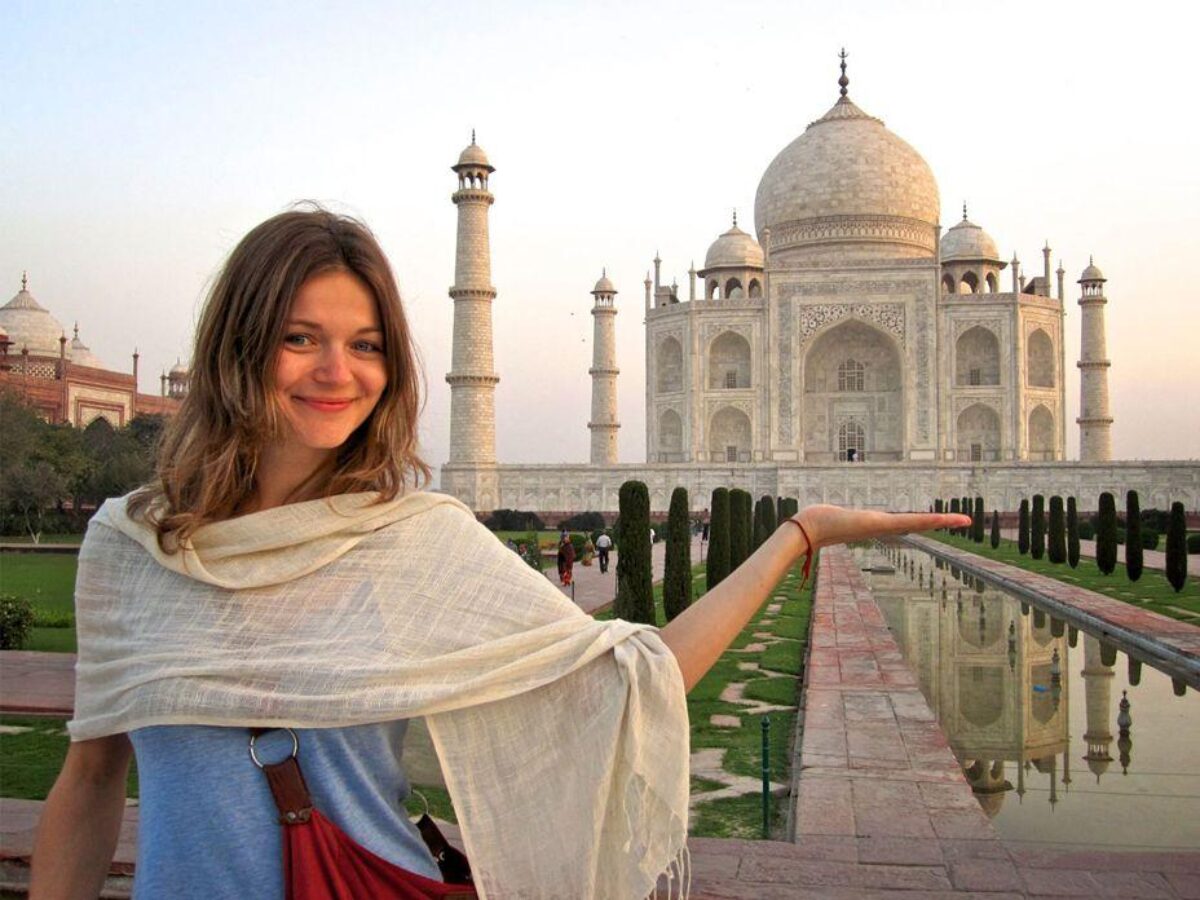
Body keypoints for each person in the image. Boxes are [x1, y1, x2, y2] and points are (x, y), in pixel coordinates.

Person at [30, 208, 968, 900]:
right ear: (240, 345)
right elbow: (90, 780)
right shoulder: (129, 548)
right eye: (298, 338)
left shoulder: (409, 540)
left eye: (365, 344)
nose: (336, 370)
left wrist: (794, 537)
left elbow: (636, 677)